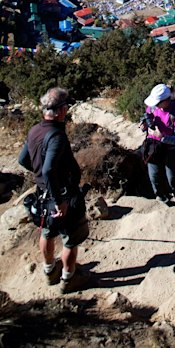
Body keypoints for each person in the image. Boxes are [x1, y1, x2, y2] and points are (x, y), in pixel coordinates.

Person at [18, 87, 90, 293]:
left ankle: (49, 271)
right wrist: (60, 199)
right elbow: (50, 169)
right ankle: (69, 277)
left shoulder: (34, 130)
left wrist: (39, 174)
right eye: (66, 106)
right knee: (71, 238)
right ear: (59, 111)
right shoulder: (56, 135)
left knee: (47, 232)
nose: (67, 110)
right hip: (63, 195)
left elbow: (23, 159)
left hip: (42, 194)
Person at [141, 83, 175, 208]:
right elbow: (147, 116)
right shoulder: (153, 107)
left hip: (171, 148)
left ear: (166, 101)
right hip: (153, 146)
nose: (155, 105)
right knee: (154, 176)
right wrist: (144, 124)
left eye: (158, 103)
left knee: (174, 178)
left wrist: (162, 137)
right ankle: (163, 200)